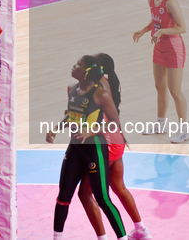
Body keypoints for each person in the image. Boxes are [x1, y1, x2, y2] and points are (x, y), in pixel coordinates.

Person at [47, 53, 151, 240]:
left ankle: (106, 237)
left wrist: (88, 127)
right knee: (118, 187)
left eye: (80, 63)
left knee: (88, 194)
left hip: (104, 142)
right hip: (112, 140)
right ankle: (141, 229)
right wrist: (65, 120)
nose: (74, 65)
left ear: (92, 70)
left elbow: (108, 118)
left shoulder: (99, 89)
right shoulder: (83, 87)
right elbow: (77, 111)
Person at [133, 0, 188, 143]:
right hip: (158, 47)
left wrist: (162, 31)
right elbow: (156, 20)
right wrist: (143, 30)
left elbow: (182, 27)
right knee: (159, 87)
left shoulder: (171, 2)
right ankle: (160, 123)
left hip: (173, 49)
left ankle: (184, 130)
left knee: (175, 91)